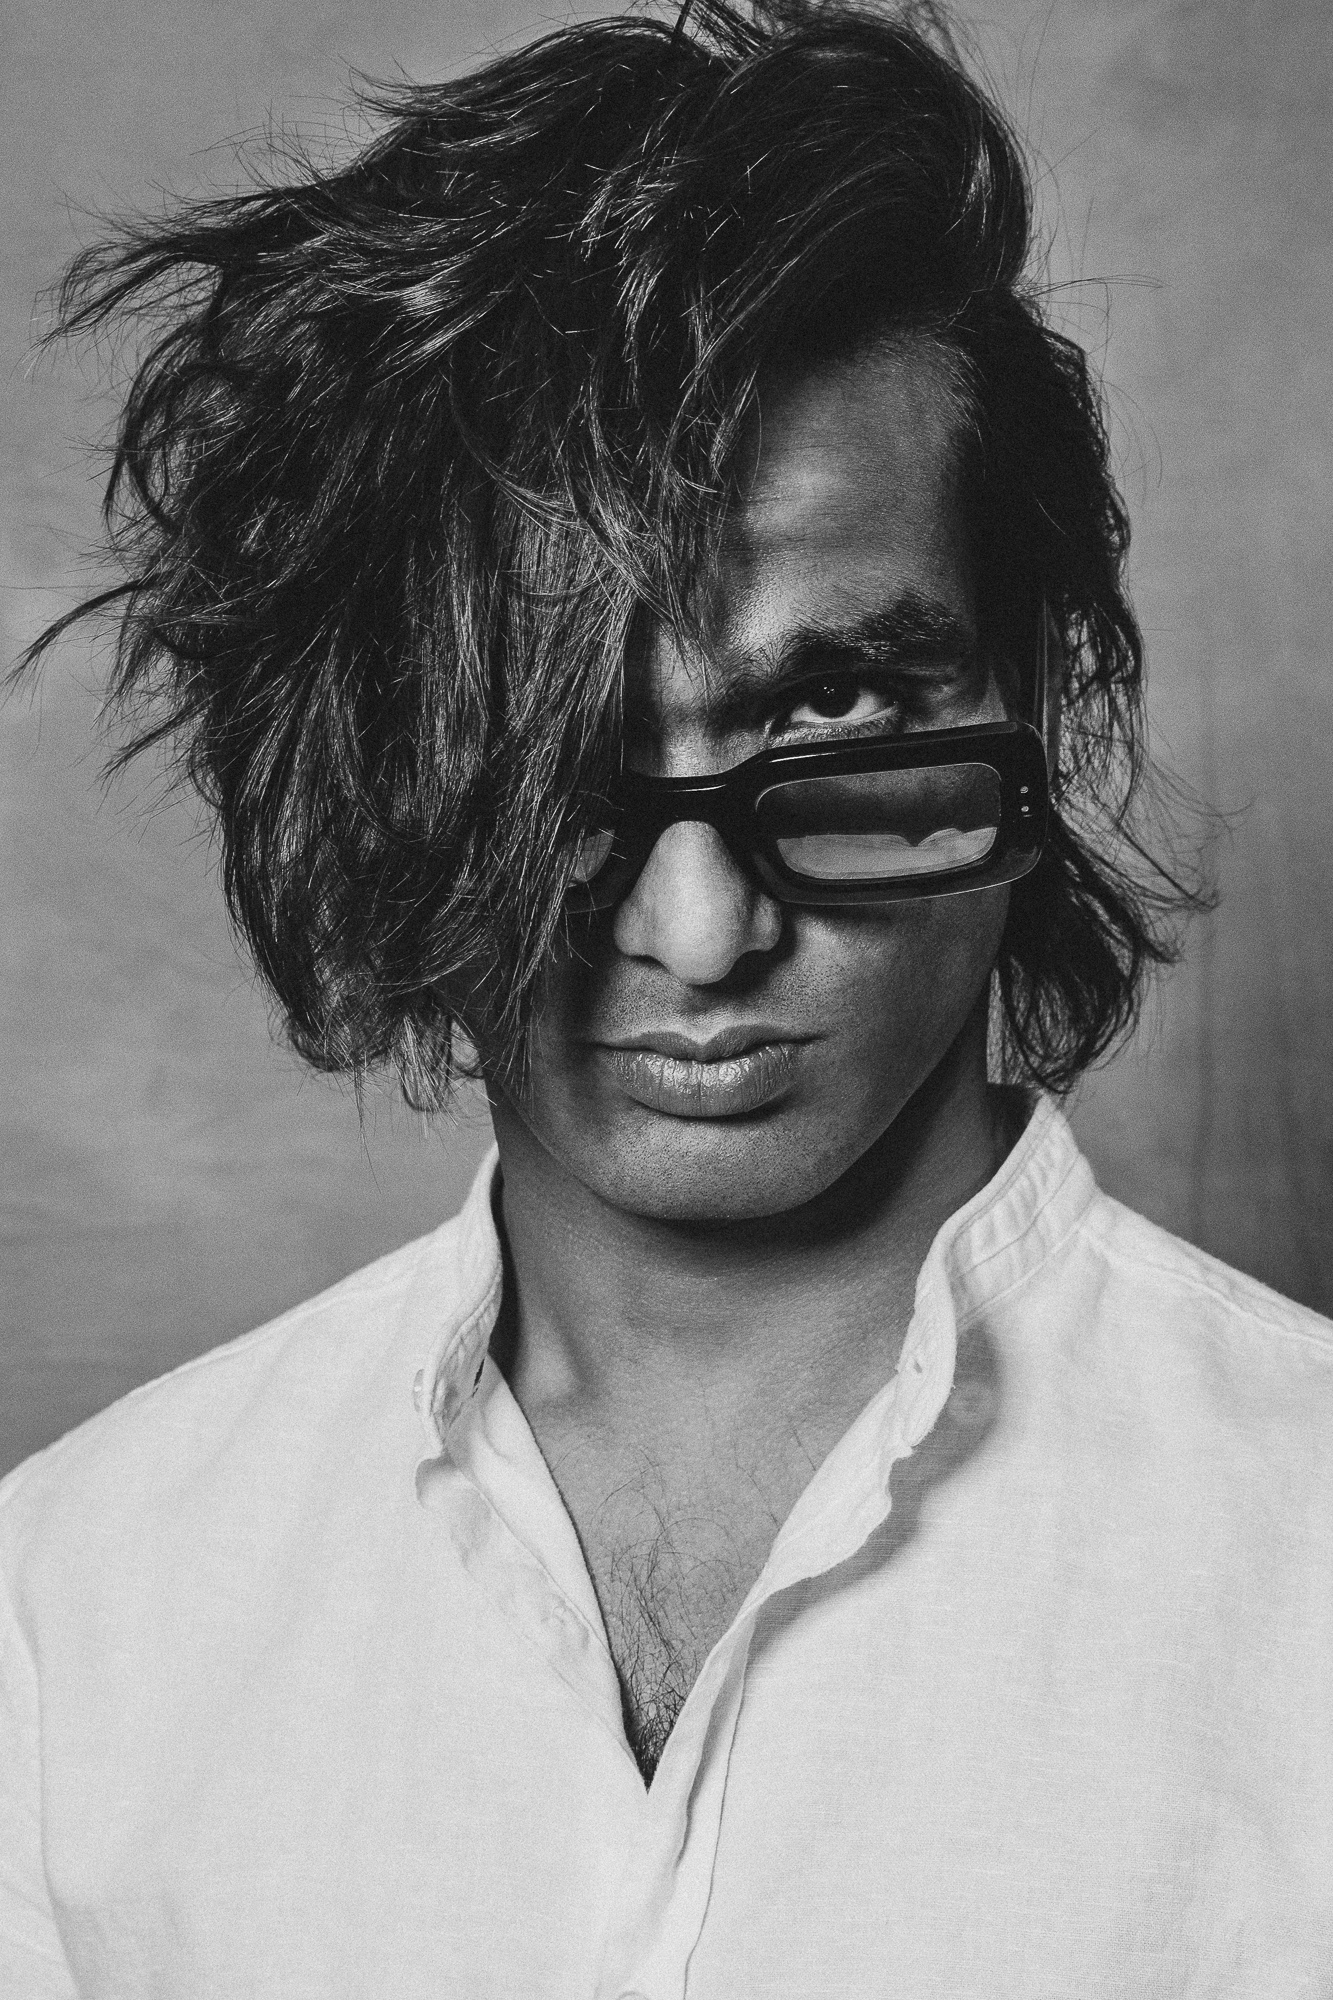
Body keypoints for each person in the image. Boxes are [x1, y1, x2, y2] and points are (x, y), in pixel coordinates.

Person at [3, 1, 1330, 1994]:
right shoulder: (75, 1602)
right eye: (550, 744)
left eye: (838, 703)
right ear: (364, 769)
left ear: (1035, 704)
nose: (701, 933)